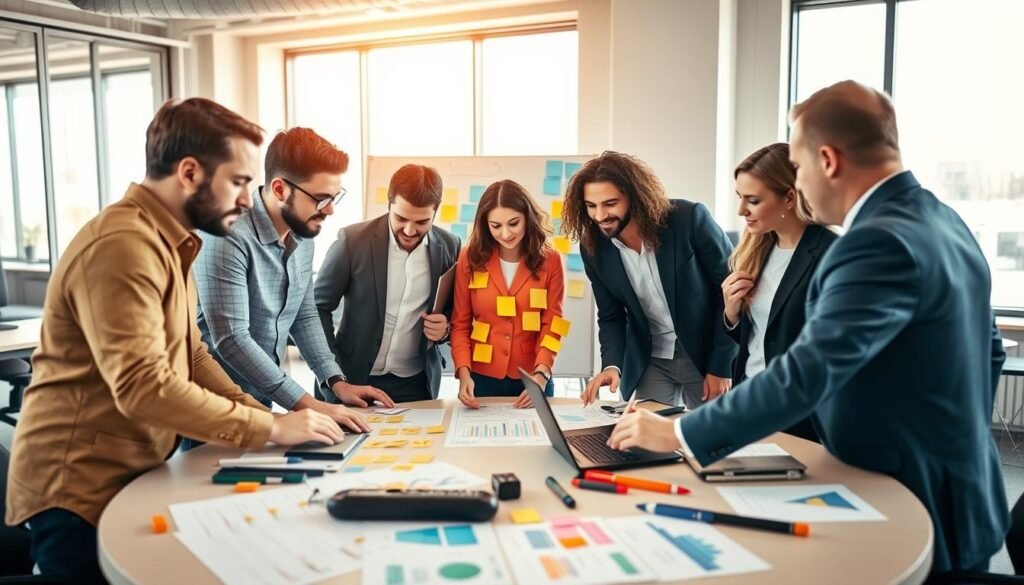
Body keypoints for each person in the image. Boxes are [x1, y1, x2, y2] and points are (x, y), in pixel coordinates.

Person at [608, 81, 1008, 576]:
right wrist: (955, 432)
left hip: (915, 492)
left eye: (797, 167)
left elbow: (806, 371)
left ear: (828, 161)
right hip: (960, 483)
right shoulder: (943, 219)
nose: (796, 183)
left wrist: (679, 432)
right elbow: (990, 350)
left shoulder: (874, 242)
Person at [5, 99, 345, 582]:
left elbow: (193, 354)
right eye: (238, 182)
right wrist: (267, 426)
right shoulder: (123, 244)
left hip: (134, 466)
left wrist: (268, 419)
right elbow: (145, 385)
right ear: (189, 173)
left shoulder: (172, 241)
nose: (246, 200)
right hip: (78, 485)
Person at [191, 128, 376, 444]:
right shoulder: (226, 234)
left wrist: (335, 380)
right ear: (279, 189)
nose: (330, 210)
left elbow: (304, 315)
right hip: (214, 411)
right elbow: (232, 339)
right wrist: (309, 404)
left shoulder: (302, 234)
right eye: (321, 198)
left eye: (334, 197)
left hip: (263, 403)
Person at [563, 151, 736, 410]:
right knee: (642, 432)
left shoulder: (688, 219)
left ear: (634, 196)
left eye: (610, 203)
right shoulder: (594, 248)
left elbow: (732, 293)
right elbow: (611, 316)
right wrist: (612, 365)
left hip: (704, 353)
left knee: (712, 433)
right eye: (591, 206)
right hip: (651, 358)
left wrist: (722, 366)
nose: (599, 216)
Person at [720, 142, 837, 442]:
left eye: (753, 200)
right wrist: (732, 314)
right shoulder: (755, 249)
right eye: (740, 198)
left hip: (797, 415)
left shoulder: (831, 255)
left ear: (789, 198)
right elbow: (761, 337)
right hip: (748, 400)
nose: (741, 210)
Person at [315, 164, 461, 403]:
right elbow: (317, 308)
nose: (410, 230)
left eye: (422, 222)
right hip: (351, 378)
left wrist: (444, 329)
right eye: (401, 218)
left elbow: (455, 311)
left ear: (436, 210)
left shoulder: (450, 246)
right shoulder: (352, 241)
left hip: (416, 384)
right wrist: (332, 372)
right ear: (389, 203)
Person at [451, 180, 564, 408]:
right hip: (480, 378)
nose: (505, 233)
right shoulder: (470, 258)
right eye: (496, 226)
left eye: (514, 223)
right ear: (485, 224)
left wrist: (542, 374)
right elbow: (460, 324)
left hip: (533, 377)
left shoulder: (550, 260)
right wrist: (463, 374)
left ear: (527, 217)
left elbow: (553, 324)